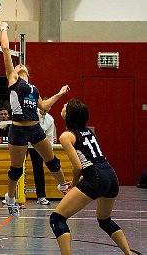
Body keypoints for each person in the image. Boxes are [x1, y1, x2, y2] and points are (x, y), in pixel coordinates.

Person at [0, 21, 70, 217]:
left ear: (27, 72)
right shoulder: (13, 80)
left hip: (36, 128)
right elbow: (5, 49)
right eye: (17, 64)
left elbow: (45, 107)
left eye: (21, 65)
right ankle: (11, 199)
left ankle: (63, 185)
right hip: (19, 129)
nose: (18, 64)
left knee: (52, 161)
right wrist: (3, 28)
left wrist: (60, 93)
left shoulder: (34, 88)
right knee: (16, 169)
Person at [50, 98, 132, 255]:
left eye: (65, 106)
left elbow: (78, 166)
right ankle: (129, 253)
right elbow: (93, 161)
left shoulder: (66, 136)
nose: (63, 107)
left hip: (96, 177)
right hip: (110, 176)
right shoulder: (90, 132)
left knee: (57, 219)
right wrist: (82, 180)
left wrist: (74, 185)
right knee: (104, 220)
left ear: (69, 115)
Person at [28, 98, 56, 205]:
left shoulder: (50, 120)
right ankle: (11, 195)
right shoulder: (31, 114)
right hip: (25, 144)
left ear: (49, 107)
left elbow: (49, 138)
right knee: (17, 169)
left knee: (39, 170)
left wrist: (50, 153)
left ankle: (41, 197)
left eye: (48, 105)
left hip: (37, 146)